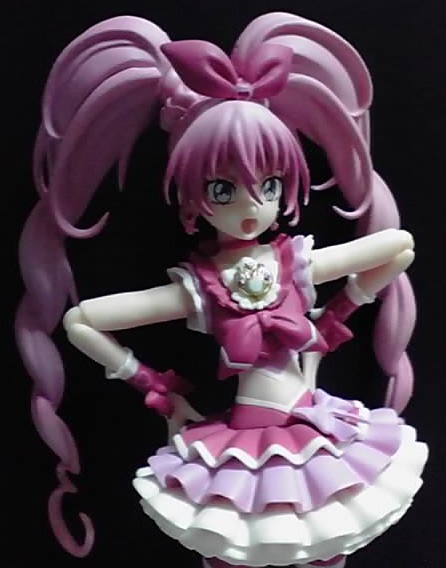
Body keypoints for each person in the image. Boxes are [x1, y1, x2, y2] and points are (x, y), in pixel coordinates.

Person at [16, 11, 427, 567]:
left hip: (316, 421)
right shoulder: (200, 288)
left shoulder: (296, 262)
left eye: (270, 185)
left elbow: (398, 247)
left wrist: (334, 317)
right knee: (237, 546)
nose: (253, 206)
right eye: (223, 190)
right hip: (248, 440)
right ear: (192, 199)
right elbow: (81, 321)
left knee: (330, 536)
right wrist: (156, 388)